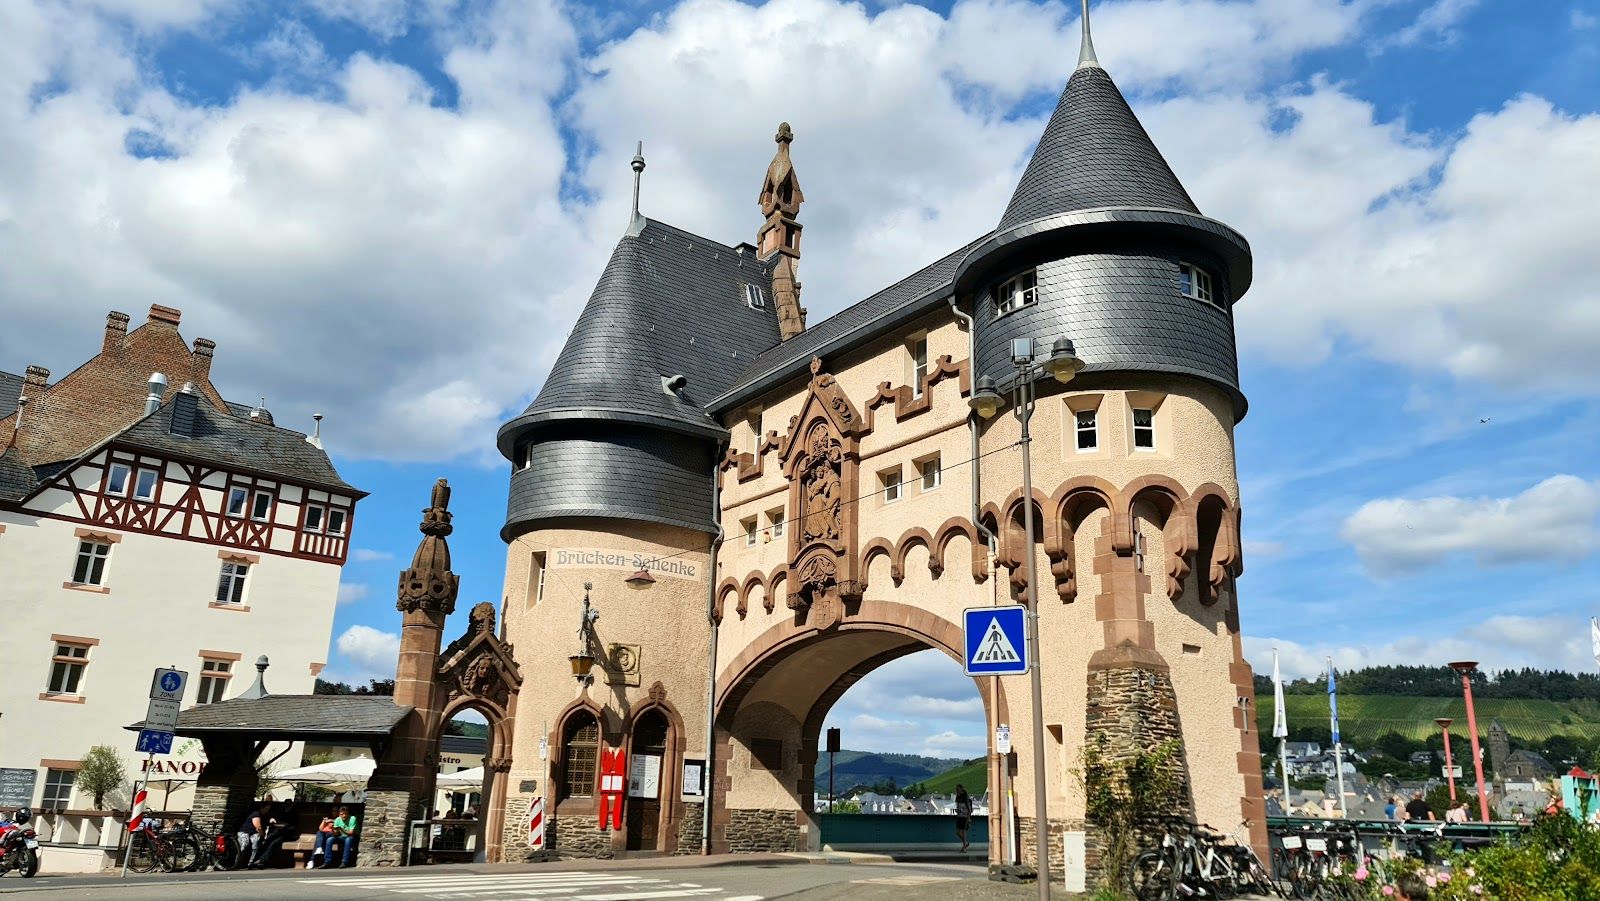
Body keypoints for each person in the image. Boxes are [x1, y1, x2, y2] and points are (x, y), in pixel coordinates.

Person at [236, 800, 269, 869]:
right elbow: (258, 827)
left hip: (253, 833)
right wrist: (263, 836)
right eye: (266, 809)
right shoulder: (256, 814)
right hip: (245, 832)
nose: (267, 810)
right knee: (244, 845)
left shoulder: (263, 816)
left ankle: (251, 862)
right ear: (262, 808)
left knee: (255, 844)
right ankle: (237, 862)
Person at [953, 785, 973, 853]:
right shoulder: (958, 797)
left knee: (964, 832)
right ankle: (966, 843)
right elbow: (958, 806)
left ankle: (964, 847)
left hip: (965, 817)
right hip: (959, 816)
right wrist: (957, 811)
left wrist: (969, 818)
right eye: (956, 789)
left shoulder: (965, 798)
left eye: (958, 789)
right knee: (958, 832)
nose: (957, 791)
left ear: (961, 789)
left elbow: (969, 810)